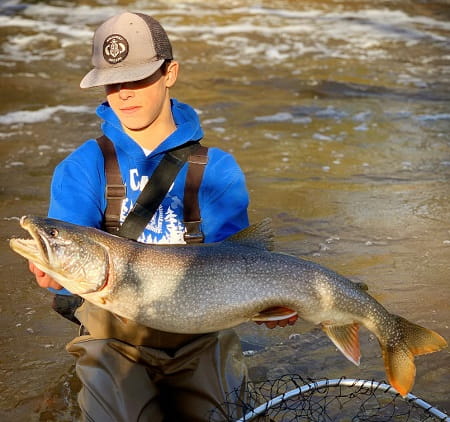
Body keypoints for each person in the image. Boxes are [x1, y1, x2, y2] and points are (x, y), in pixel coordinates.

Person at [29, 11, 298, 421]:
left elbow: (241, 261)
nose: (123, 93)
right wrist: (55, 276)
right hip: (113, 338)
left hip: (201, 336)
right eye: (112, 81)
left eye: (137, 77)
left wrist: (271, 304)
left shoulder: (217, 169)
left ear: (170, 72)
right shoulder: (83, 166)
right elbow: (71, 279)